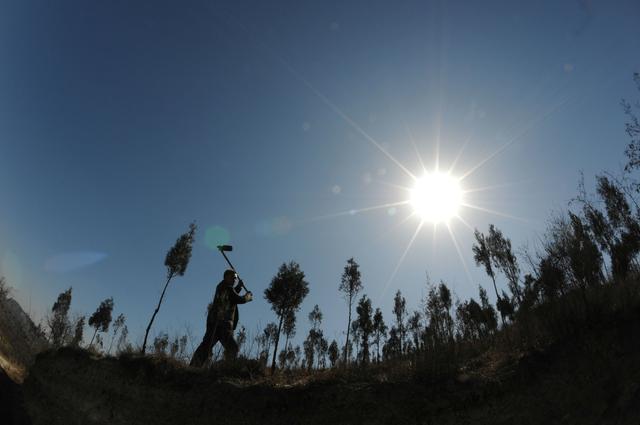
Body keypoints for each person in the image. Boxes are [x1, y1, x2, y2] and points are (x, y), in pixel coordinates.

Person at [190, 269, 253, 367]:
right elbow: (237, 299)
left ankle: (194, 367)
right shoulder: (227, 288)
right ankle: (225, 368)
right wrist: (247, 297)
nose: (234, 280)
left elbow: (231, 296)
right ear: (227, 277)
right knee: (232, 348)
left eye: (235, 279)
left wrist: (239, 287)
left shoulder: (222, 287)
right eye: (233, 278)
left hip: (216, 324)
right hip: (222, 325)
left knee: (206, 346)